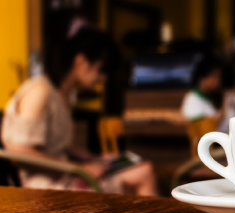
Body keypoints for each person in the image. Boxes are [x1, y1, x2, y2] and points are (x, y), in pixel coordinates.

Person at [1, 27, 158, 196]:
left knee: (140, 170)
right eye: (101, 70)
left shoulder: (64, 94)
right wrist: (79, 168)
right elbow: (18, 151)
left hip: (60, 174)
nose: (103, 78)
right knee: (144, 173)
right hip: (43, 184)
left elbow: (55, 147)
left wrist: (91, 157)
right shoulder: (40, 91)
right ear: (81, 60)